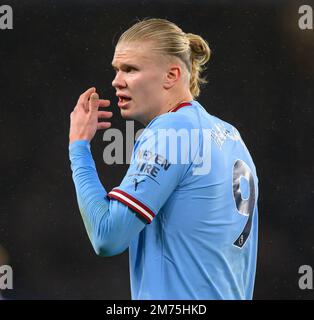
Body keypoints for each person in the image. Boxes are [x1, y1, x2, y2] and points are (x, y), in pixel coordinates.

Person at [69, 18, 259, 300]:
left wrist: (79, 147)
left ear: (171, 75)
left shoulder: (172, 130)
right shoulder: (231, 136)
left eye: (130, 69)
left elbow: (107, 236)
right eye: (117, 70)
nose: (116, 81)